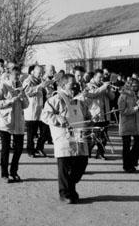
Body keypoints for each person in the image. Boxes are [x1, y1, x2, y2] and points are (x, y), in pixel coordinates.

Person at [41, 74, 90, 204]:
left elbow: (86, 115)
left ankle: (70, 187)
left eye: (76, 83)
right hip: (63, 137)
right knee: (64, 166)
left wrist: (91, 119)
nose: (75, 86)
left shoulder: (79, 100)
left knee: (82, 162)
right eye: (72, 84)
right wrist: (58, 119)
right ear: (63, 85)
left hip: (79, 136)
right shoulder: (55, 99)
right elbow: (45, 115)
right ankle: (65, 193)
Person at [0, 66, 29, 183]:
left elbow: (26, 105)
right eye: (15, 75)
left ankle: (14, 171)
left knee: (18, 149)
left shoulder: (21, 87)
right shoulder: (3, 86)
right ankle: (4, 174)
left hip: (18, 122)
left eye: (19, 75)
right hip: (6, 122)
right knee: (6, 149)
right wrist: (10, 101)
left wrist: (23, 98)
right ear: (9, 75)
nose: (17, 77)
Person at [85, 69, 116, 159]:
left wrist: (109, 90)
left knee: (104, 136)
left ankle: (100, 153)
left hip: (105, 114)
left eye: (102, 77)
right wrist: (103, 87)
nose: (101, 79)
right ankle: (87, 151)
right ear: (94, 77)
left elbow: (112, 97)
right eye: (99, 77)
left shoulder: (103, 86)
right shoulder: (89, 85)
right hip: (95, 115)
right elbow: (93, 94)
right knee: (94, 136)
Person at [118, 79, 139, 173]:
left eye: (137, 86)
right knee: (126, 145)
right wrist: (134, 109)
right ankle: (127, 165)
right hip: (126, 124)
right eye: (134, 86)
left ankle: (132, 161)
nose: (136, 88)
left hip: (136, 123)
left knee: (138, 141)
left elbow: (136, 108)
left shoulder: (134, 95)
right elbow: (122, 111)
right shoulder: (123, 96)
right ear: (129, 86)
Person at [23, 65, 48, 157]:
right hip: (31, 111)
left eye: (42, 72)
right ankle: (30, 151)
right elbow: (27, 92)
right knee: (31, 134)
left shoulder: (42, 81)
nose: (41, 74)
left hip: (41, 110)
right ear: (32, 72)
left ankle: (39, 147)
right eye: (39, 72)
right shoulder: (27, 81)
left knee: (45, 131)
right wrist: (39, 87)